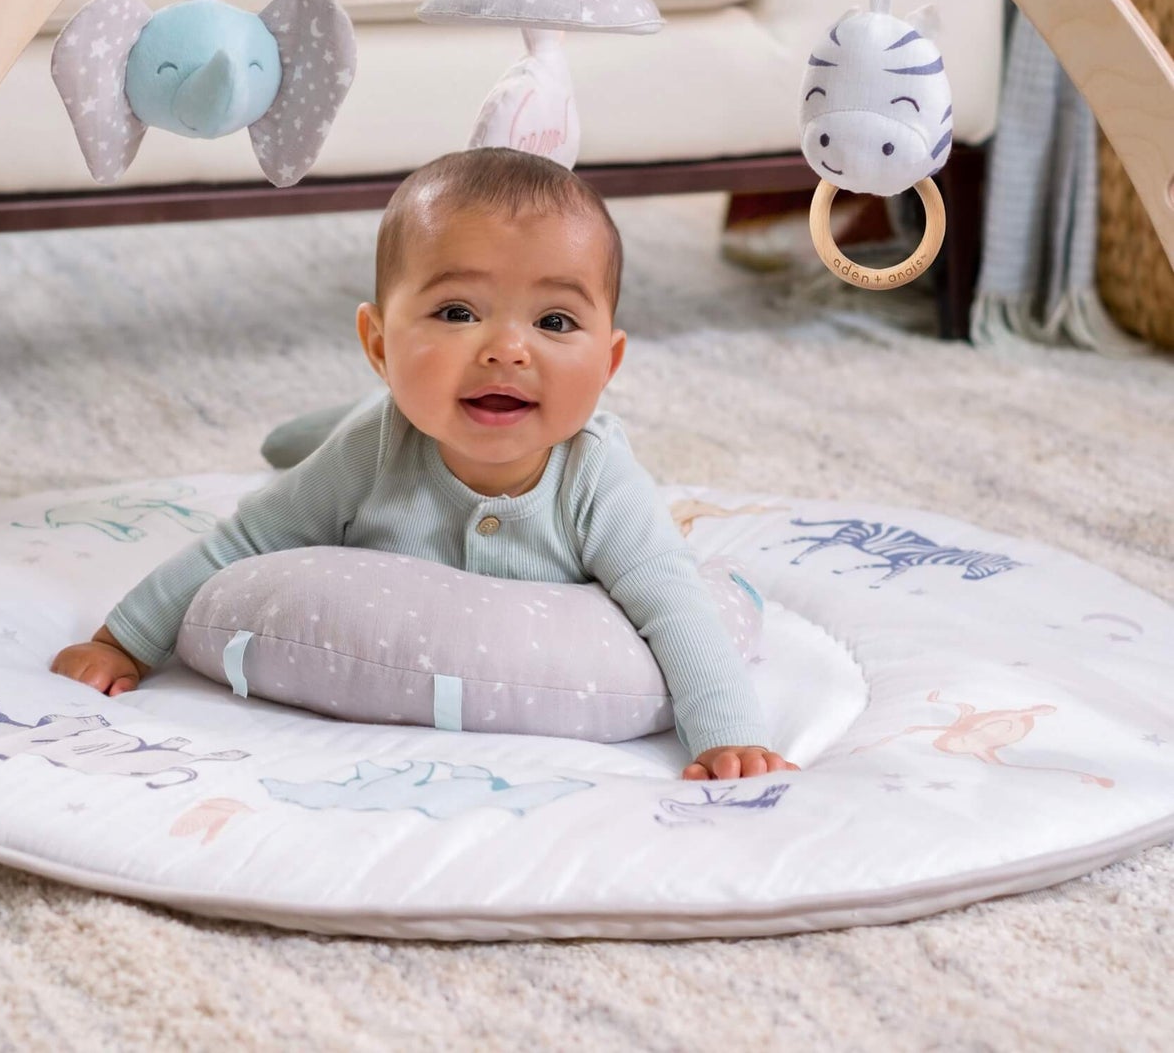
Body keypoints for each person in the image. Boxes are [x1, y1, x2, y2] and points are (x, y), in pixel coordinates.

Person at [52, 148, 797, 782]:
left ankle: (323, 418)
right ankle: (307, 432)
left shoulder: (598, 482)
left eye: (555, 321)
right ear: (377, 345)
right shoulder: (371, 451)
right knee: (324, 448)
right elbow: (243, 542)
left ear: (608, 363)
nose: (507, 348)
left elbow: (673, 602)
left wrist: (728, 734)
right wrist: (123, 641)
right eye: (457, 312)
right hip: (370, 427)